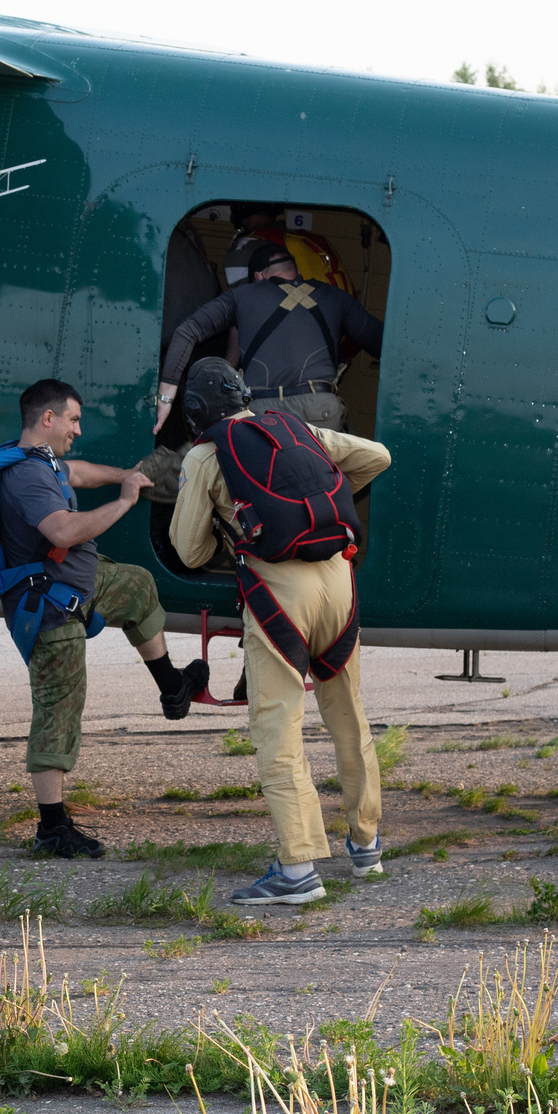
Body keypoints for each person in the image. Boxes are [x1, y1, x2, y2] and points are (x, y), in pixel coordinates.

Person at [169, 358, 393, 903]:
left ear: (195, 411)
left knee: (278, 728)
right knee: (348, 714)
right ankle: (367, 846)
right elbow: (377, 457)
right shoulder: (295, 427)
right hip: (339, 578)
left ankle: (297, 869)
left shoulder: (205, 454)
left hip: (279, 595)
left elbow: (188, 550)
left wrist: (239, 528)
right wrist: (322, 504)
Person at [1, 378, 211, 859]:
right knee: (58, 711)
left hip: (81, 586)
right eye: (73, 419)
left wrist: (124, 476)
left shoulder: (43, 462)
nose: (78, 429)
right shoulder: (28, 477)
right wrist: (122, 503)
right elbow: (62, 528)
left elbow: (77, 472)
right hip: (52, 610)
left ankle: (172, 686)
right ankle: (52, 828)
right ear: (47, 419)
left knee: (136, 584)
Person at [155, 244, 385, 436]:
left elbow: (187, 331)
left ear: (258, 277)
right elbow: (382, 342)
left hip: (262, 416)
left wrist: (166, 399)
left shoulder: (241, 296)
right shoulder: (335, 297)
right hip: (321, 413)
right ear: (294, 270)